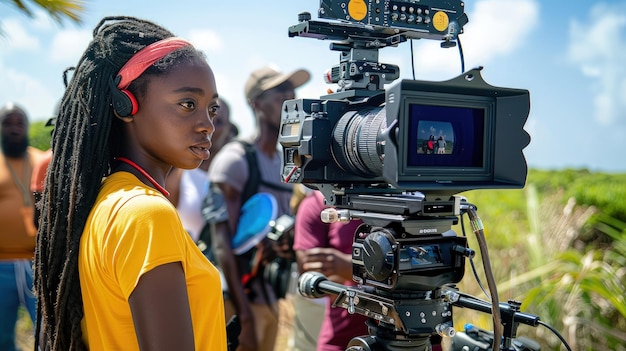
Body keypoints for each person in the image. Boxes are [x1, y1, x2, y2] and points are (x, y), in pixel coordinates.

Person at [33, 16, 227, 351]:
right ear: (126, 105)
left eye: (212, 108)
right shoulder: (146, 213)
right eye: (187, 104)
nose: (207, 124)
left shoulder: (110, 198)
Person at [209, 64, 310, 351]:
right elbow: (221, 246)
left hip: (268, 297)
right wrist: (244, 319)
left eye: (293, 95)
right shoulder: (234, 160)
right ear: (256, 104)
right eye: (280, 95)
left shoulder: (286, 163)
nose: (290, 101)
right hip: (235, 301)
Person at [293, 190, 369, 351]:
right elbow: (310, 273)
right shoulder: (318, 204)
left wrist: (350, 267)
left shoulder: (408, 199)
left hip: (410, 335)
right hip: (342, 335)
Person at [0, 102, 44, 351]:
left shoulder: (41, 160)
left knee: (45, 330)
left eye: (19, 123)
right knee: (2, 335)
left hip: (36, 264)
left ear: (26, 127)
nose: (14, 128)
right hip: (1, 265)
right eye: (7, 123)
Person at [166, 97, 238, 242]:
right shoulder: (178, 170)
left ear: (228, 129)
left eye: (219, 121)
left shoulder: (238, 172)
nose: (211, 127)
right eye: (208, 117)